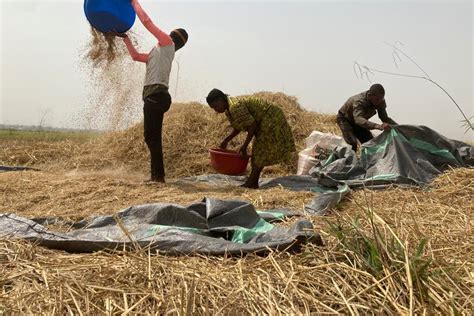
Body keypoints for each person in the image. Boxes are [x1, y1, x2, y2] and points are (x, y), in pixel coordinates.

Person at [112, 0, 188, 183]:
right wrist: (125, 38)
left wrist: (134, 2)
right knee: (151, 137)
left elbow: (147, 22)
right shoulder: (158, 53)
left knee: (152, 138)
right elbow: (136, 56)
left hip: (156, 96)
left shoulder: (167, 43)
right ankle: (157, 175)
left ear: (172, 37)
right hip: (154, 97)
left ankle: (158, 176)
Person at [206, 89, 296, 189]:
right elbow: (238, 126)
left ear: (220, 100)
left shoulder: (235, 107)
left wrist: (244, 145)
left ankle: (251, 183)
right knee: (259, 152)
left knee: (260, 152)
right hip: (264, 120)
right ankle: (253, 182)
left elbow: (252, 126)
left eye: (215, 106)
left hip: (271, 118)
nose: (216, 110)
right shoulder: (229, 108)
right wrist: (226, 140)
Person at [337, 84, 397, 152]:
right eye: (377, 100)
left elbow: (384, 118)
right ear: (369, 96)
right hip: (345, 119)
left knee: (370, 143)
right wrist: (377, 126)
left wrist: (398, 127)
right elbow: (358, 119)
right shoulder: (359, 101)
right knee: (352, 143)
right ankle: (348, 161)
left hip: (360, 122)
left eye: (381, 99)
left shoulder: (380, 101)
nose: (379, 102)